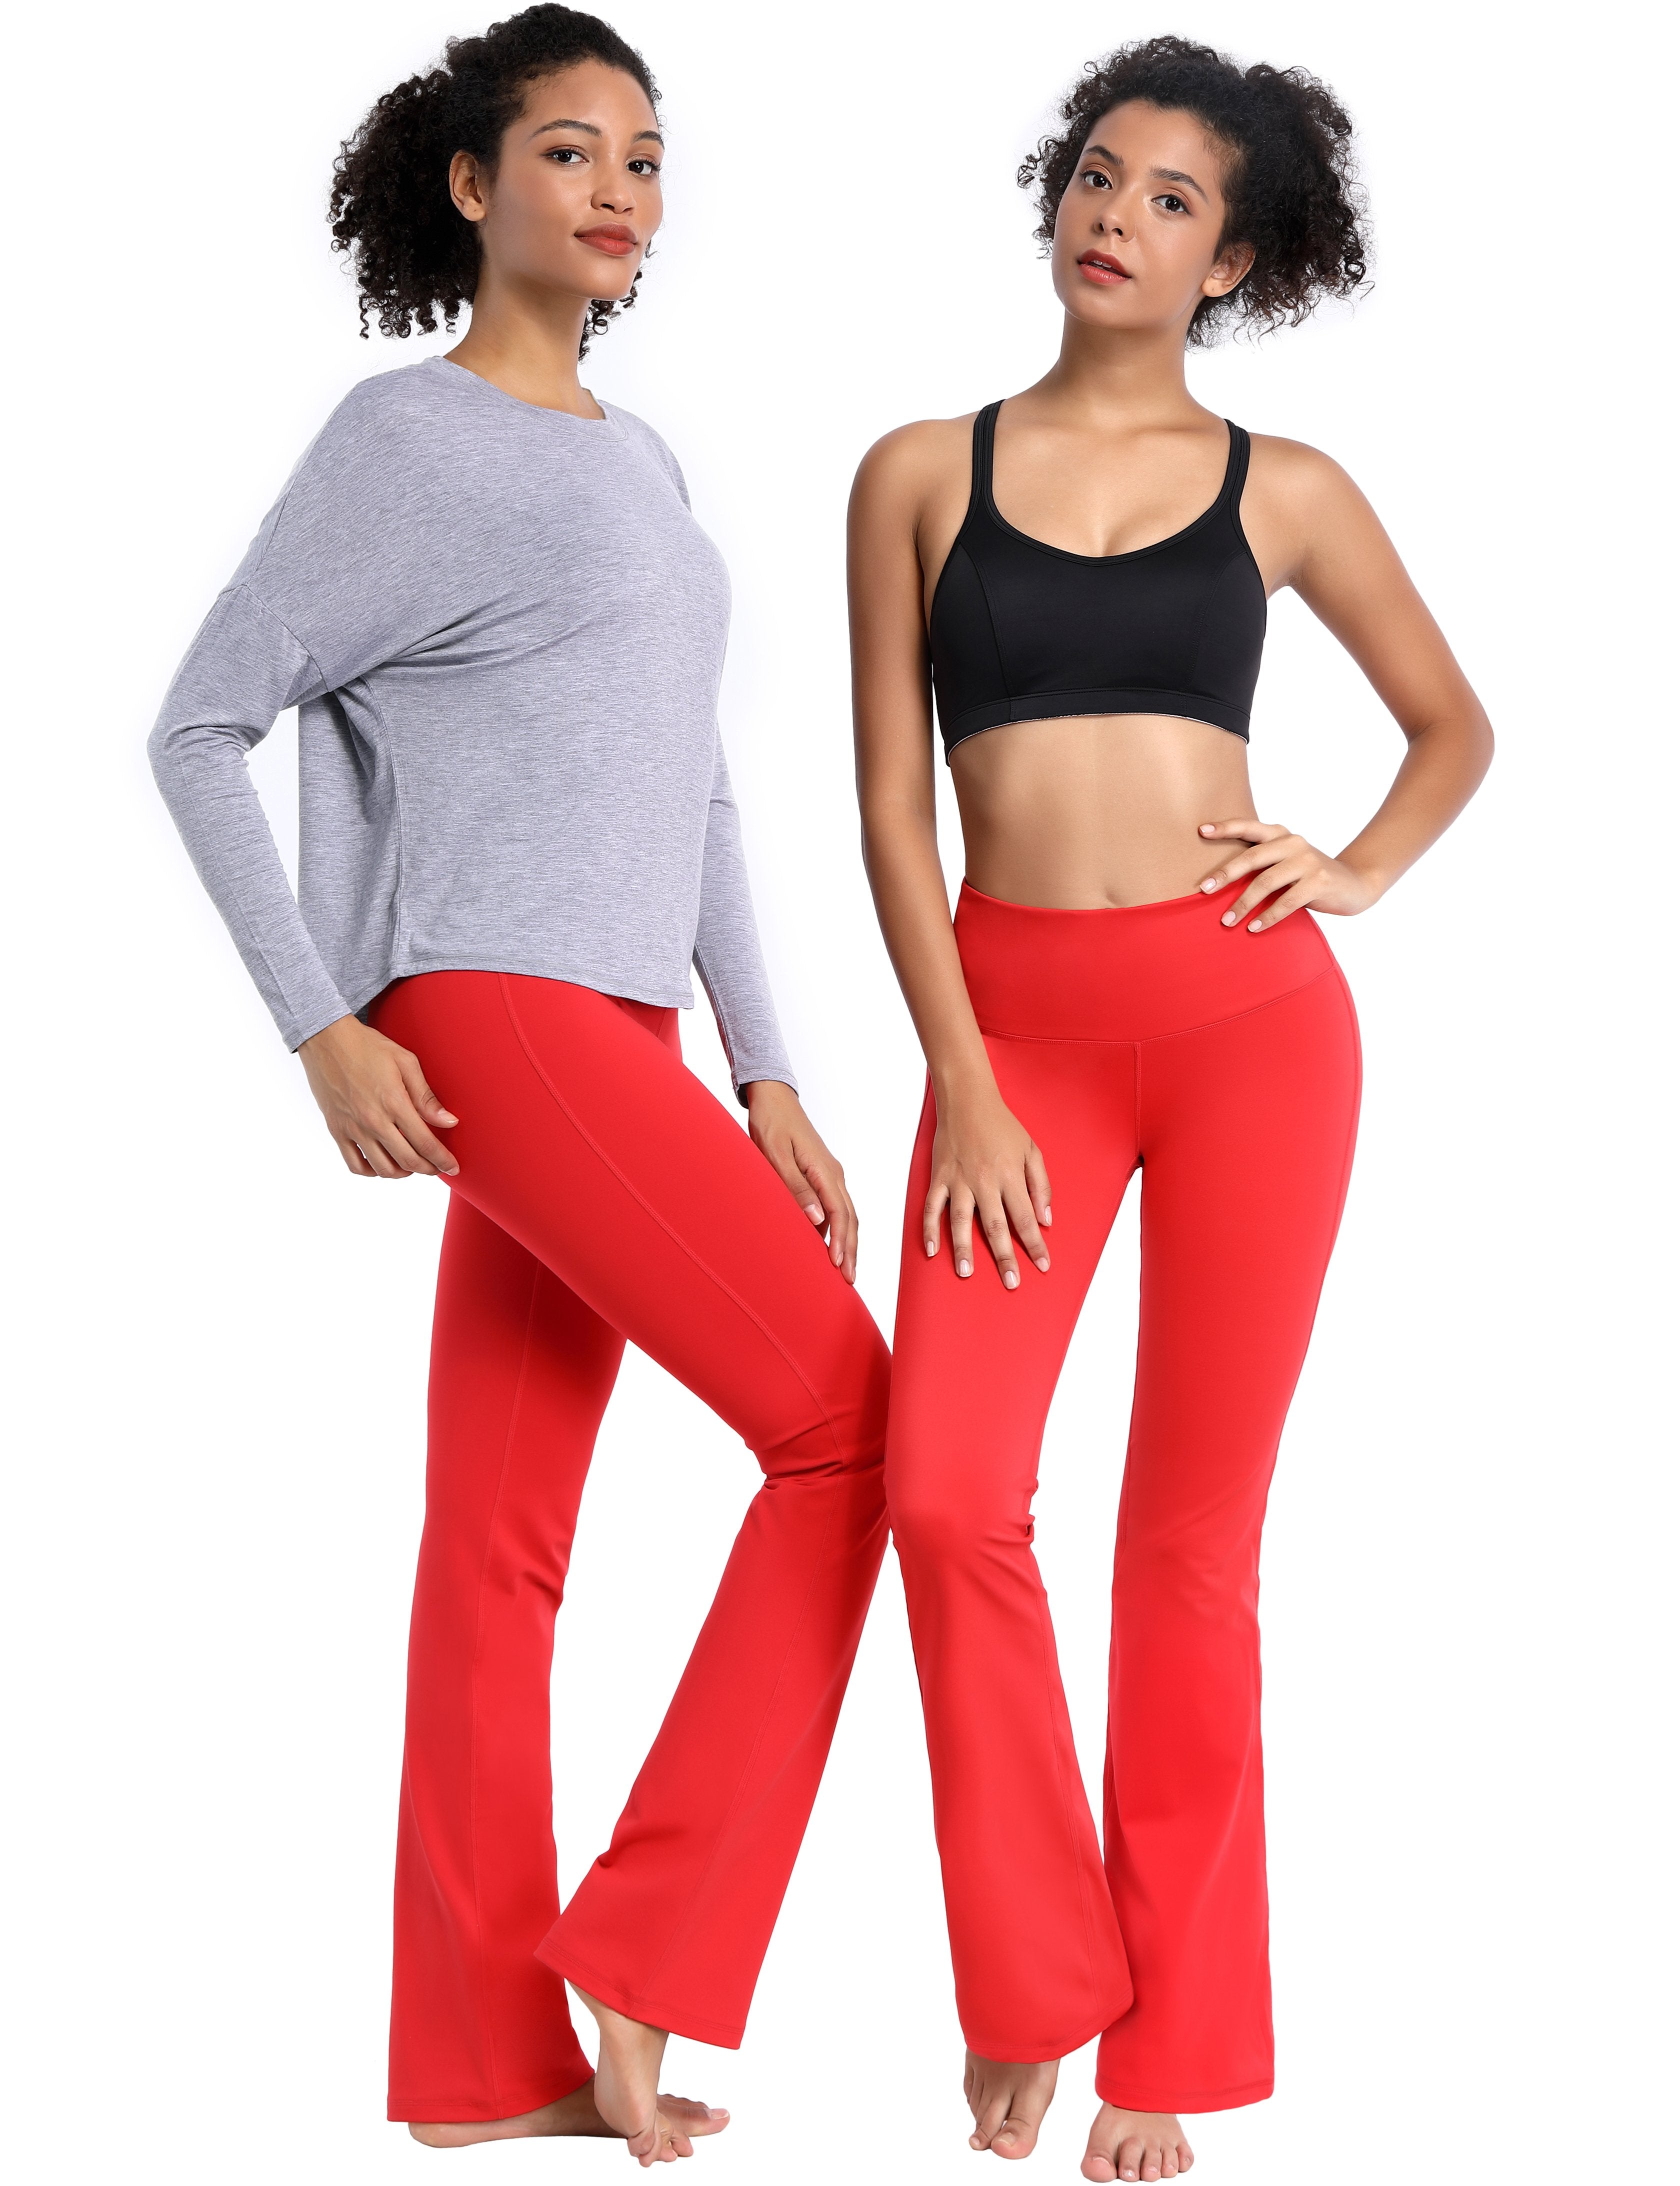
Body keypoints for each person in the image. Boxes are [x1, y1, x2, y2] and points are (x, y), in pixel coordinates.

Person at [149, 7, 890, 2166]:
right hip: (499, 1011)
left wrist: (768, 1066)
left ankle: (481, 2065)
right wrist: (320, 1023)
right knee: (851, 1428)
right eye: (572, 150)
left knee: (496, 1547)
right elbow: (198, 724)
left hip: (625, 1034)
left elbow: (701, 789)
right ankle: (648, 1948)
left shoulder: (645, 464)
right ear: (474, 185)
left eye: (647, 157)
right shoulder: (405, 434)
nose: (621, 189)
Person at [848, 36, 1491, 2185]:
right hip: (1012, 1038)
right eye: (1098, 176)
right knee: (948, 1491)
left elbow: (1453, 724)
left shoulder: (1285, 488)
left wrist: (1357, 868)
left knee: (1191, 1550)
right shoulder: (916, 470)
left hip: (1250, 1032)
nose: (1115, 217)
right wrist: (962, 1081)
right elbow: (892, 812)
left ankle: (1170, 2040)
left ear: (1236, 259)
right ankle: (1036, 1975)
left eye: (1173, 199)